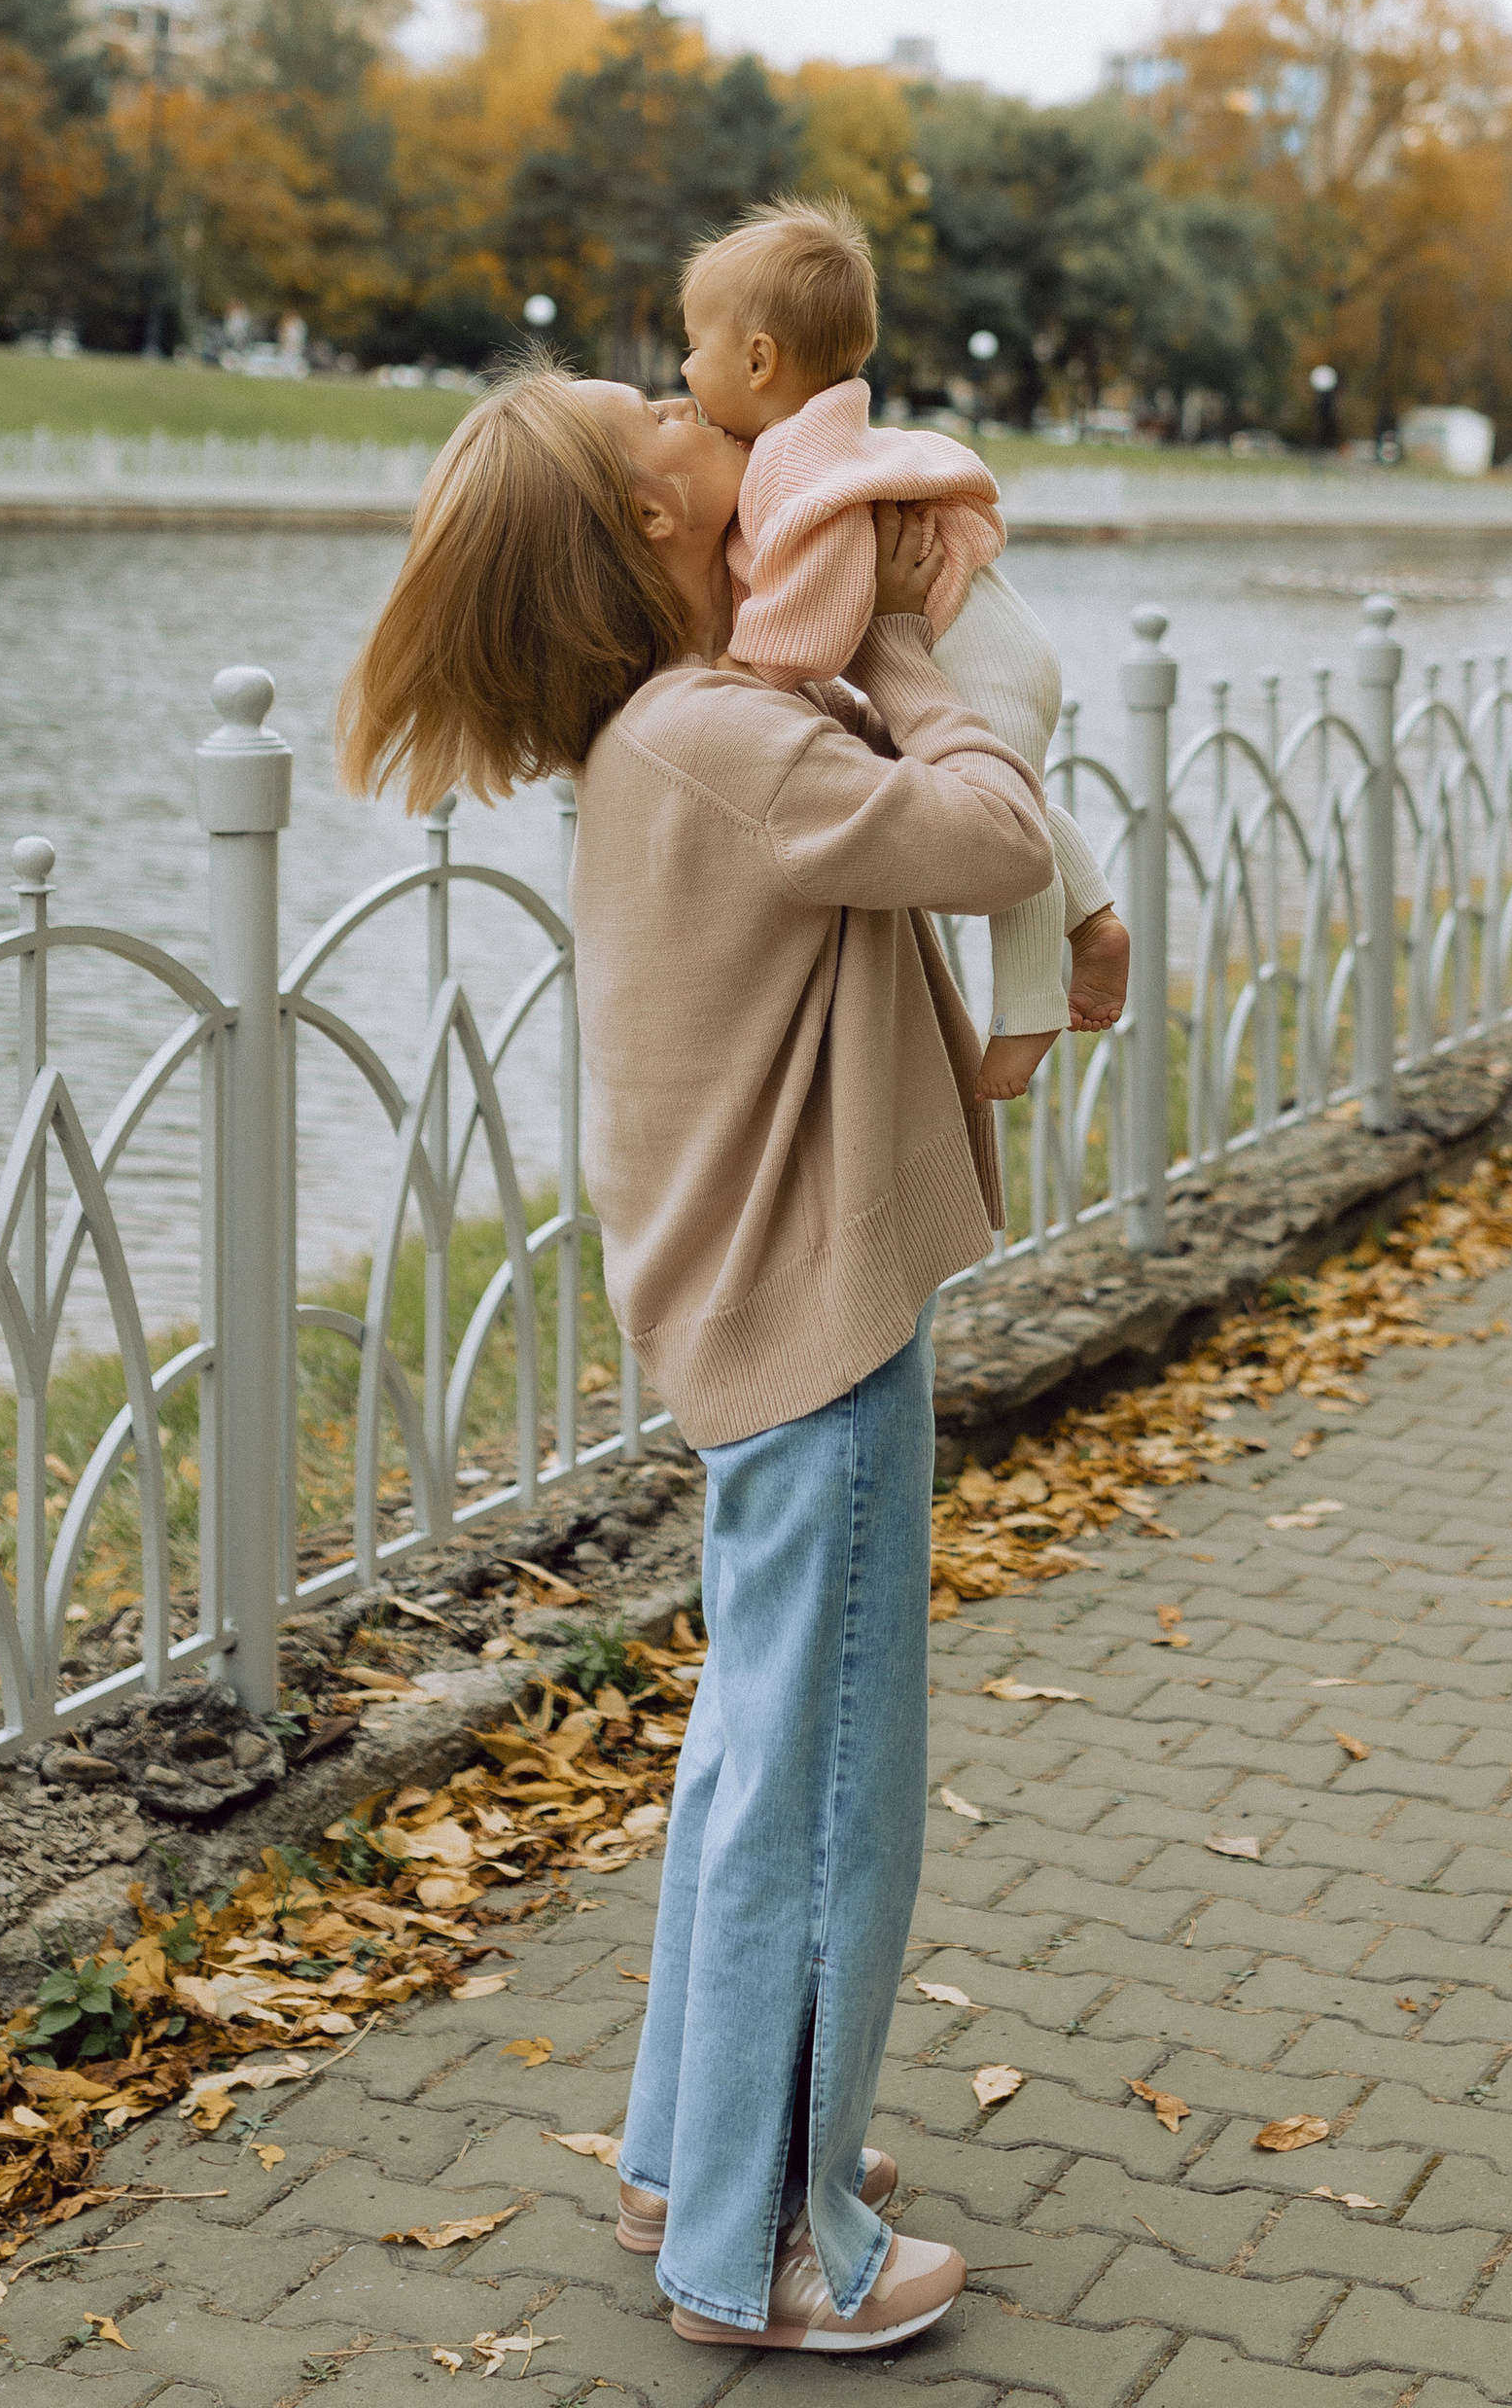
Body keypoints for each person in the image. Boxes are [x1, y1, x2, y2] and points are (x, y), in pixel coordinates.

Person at [336, 363, 1062, 2352]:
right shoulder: (726, 736)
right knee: (826, 1789)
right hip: (810, 1316)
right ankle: (761, 2251)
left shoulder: (677, 729)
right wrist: (903, 643)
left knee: (756, 1745)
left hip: (760, 1307)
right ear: (653, 514)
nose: (692, 393)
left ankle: (694, 2150)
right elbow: (994, 835)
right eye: (645, 400)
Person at [679, 197, 1130, 1097]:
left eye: (693, 347)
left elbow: (820, 597)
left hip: (975, 654)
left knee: (1001, 829)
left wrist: (750, 672)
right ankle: (1095, 920)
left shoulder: (795, 461)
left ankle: (1027, 1012)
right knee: (1009, 793)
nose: (685, 370)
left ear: (758, 360)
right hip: (992, 641)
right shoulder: (822, 437)